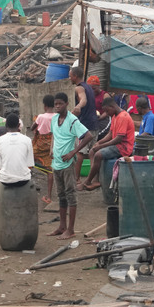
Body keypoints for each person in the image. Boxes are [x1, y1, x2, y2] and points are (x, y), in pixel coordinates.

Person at [50, 92, 89, 240]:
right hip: (57, 163)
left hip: (67, 164)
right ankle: (62, 226)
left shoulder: (72, 121)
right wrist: (51, 150)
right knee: (61, 195)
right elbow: (54, 135)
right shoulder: (54, 119)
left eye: (60, 104)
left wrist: (73, 152)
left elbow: (87, 136)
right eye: (56, 104)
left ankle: (70, 229)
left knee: (71, 195)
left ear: (67, 104)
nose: (57, 106)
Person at [79, 97, 135, 191]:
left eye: (107, 111)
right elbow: (110, 134)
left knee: (98, 154)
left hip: (124, 147)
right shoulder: (115, 116)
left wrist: (101, 146)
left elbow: (118, 138)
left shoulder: (123, 117)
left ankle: (87, 181)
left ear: (112, 106)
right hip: (117, 145)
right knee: (92, 151)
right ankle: (96, 179)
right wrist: (98, 143)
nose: (107, 113)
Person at [0, 113, 34, 187]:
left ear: (6, 125)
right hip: (24, 180)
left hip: (5, 180)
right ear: (19, 125)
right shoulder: (27, 140)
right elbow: (30, 165)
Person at [31, 94, 55, 204]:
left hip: (40, 145)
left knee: (28, 160)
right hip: (51, 145)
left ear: (45, 106)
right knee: (50, 171)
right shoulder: (57, 116)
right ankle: (49, 196)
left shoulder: (40, 117)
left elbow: (32, 127)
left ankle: (25, 186)